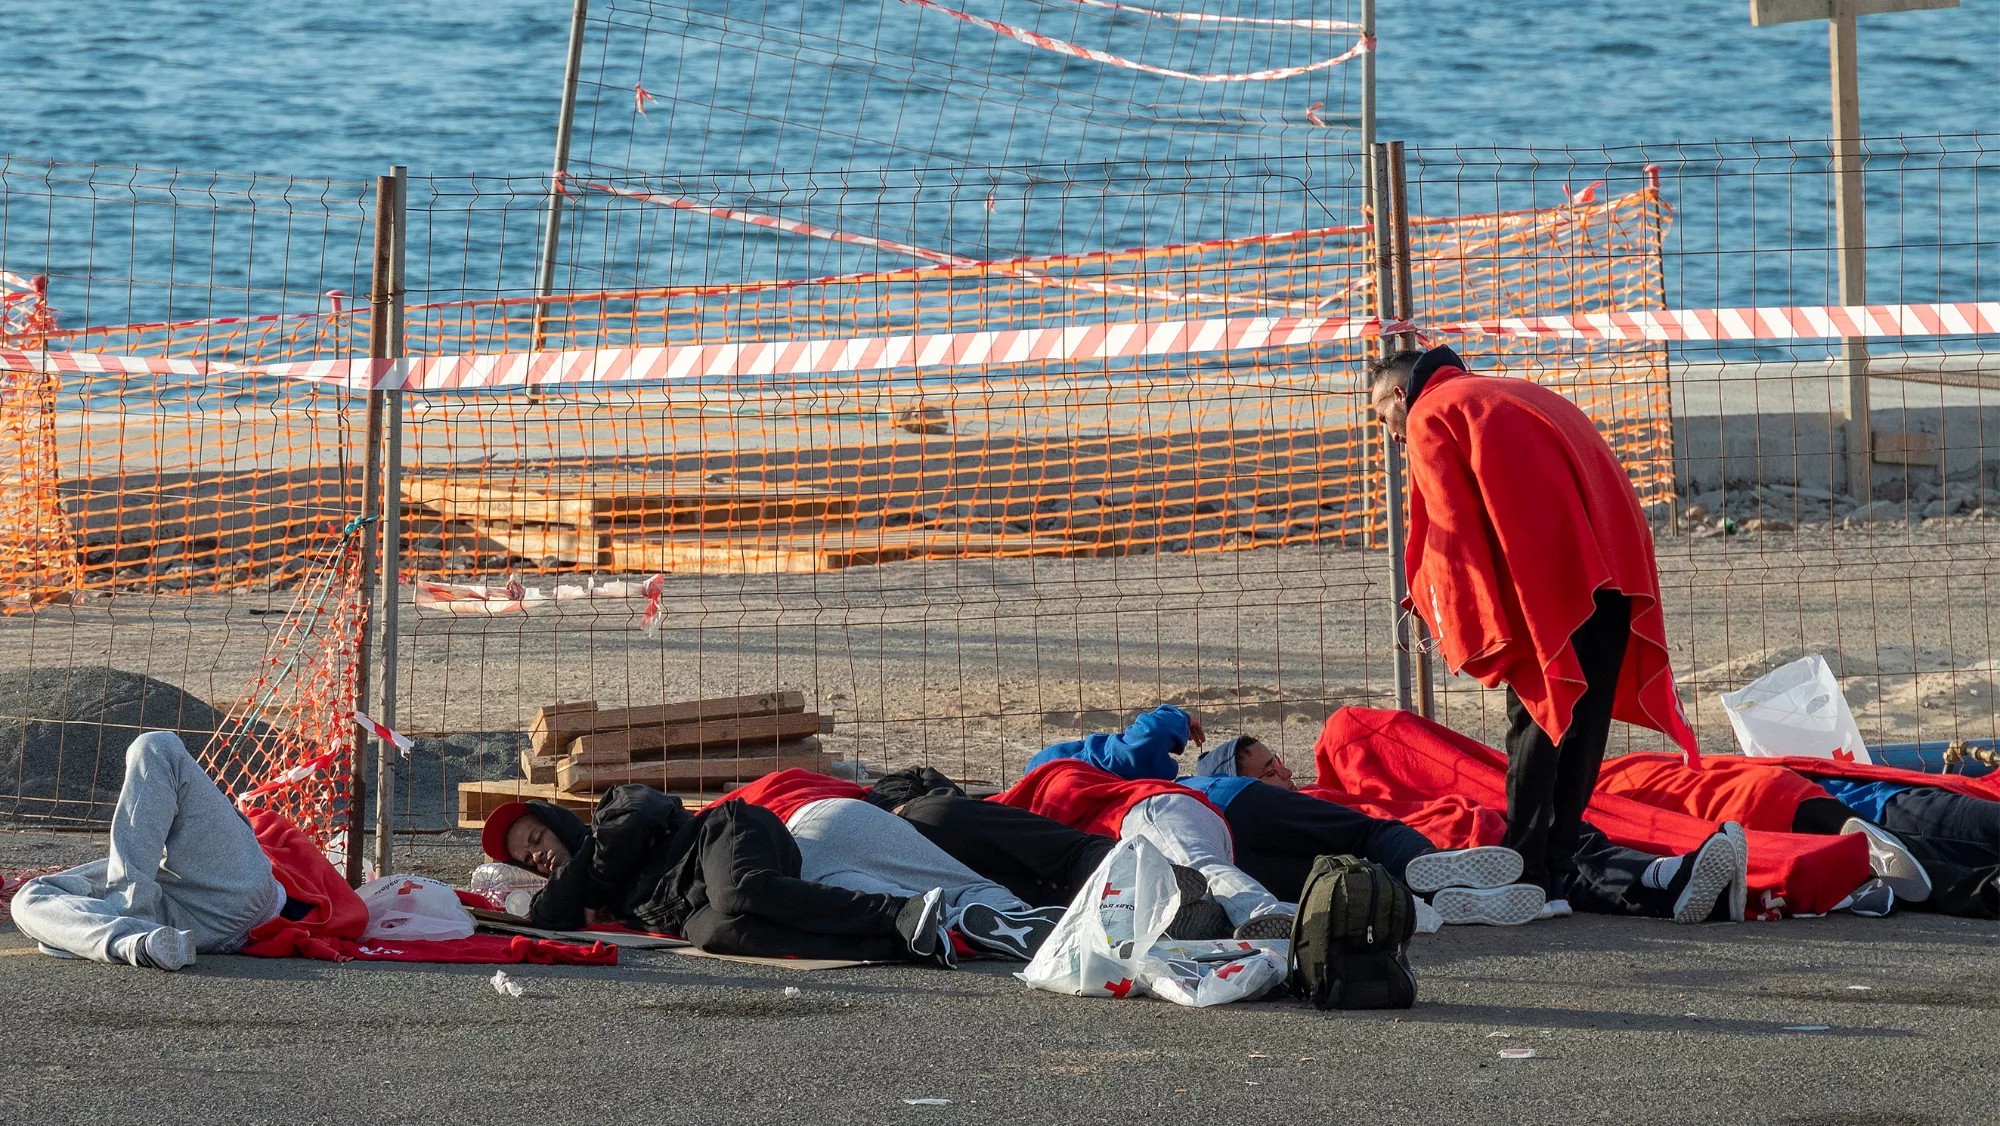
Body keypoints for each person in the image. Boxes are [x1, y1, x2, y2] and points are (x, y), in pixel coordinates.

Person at [1368, 344, 1703, 918]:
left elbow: (1450, 527)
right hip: (1613, 566)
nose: (1390, 436)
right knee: (1584, 715)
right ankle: (1558, 868)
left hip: (1552, 575)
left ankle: (1523, 865)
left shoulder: (1431, 412)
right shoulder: (1514, 390)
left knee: (1537, 714)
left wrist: (1434, 605)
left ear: (1401, 394)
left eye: (1381, 418)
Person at [1033, 703, 1544, 926]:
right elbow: (1134, 753)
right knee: (1369, 833)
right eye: (1272, 765)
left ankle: (1427, 897)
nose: (1284, 770)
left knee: (1338, 879)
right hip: (1216, 806)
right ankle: (1431, 869)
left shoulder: (1040, 825)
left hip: (1231, 858)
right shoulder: (1060, 768)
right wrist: (1172, 719)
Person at [1191, 733, 1747, 927]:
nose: (1285, 773)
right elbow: (1368, 824)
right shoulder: (1252, 801)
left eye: (1280, 763)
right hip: (1448, 839)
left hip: (1254, 868)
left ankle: (1682, 887)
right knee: (1556, 853)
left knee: (1555, 863)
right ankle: (1671, 879)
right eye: (1270, 770)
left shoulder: (1217, 835)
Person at [482, 786, 955, 966]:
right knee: (719, 933)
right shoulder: (574, 885)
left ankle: (902, 910)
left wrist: (596, 882)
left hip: (726, 836)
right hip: (692, 908)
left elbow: (643, 813)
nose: (537, 857)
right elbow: (549, 915)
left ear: (556, 821)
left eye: (537, 838)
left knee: (738, 892)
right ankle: (905, 942)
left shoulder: (610, 812)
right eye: (526, 859)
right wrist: (581, 883)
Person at [1595, 751, 2000, 919]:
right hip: (1827, 797)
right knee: (1937, 862)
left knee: (1946, 877)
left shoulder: (1588, 798)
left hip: (1805, 813)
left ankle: (1855, 847)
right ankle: (1852, 837)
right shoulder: (1629, 767)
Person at [12, 731, 288, 970]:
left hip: (231, 894)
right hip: (185, 920)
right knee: (29, 897)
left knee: (156, 746)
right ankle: (135, 941)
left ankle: (108, 931)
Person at [727, 768, 1065, 959]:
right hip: (839, 815)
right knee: (966, 884)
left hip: (794, 857)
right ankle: (1013, 913)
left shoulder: (737, 809)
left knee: (896, 908)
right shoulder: (838, 787)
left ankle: (952, 921)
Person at [864, 765, 1231, 939]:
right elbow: (921, 775)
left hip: (919, 870)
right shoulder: (908, 790)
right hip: (931, 817)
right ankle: (1157, 882)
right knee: (1073, 853)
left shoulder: (848, 821)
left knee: (1057, 897)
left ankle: (1163, 922)